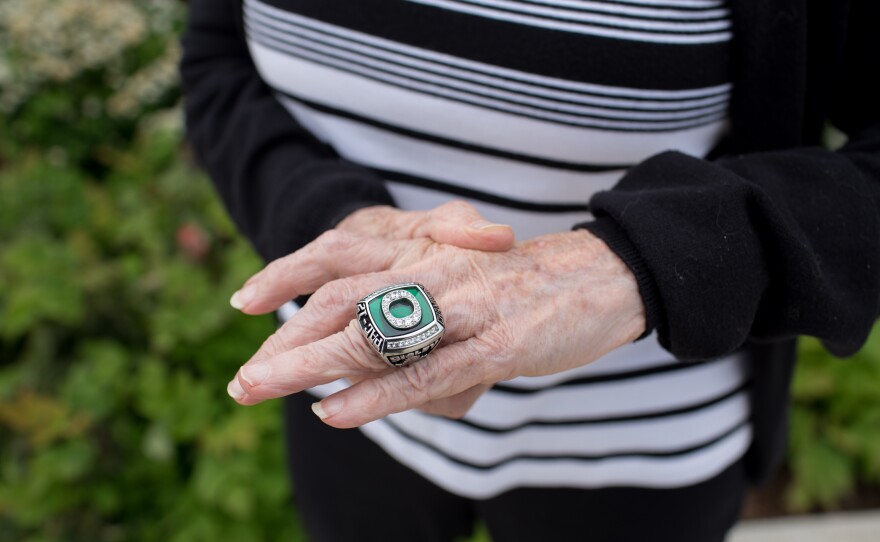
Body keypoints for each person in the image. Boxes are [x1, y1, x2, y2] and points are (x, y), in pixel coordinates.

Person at [180, 0, 880, 540]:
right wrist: (331, 217)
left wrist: (628, 265)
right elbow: (218, 59)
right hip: (346, 396)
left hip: (641, 440)